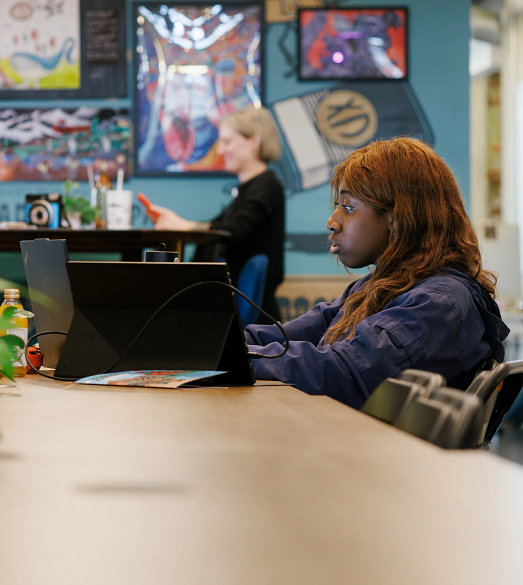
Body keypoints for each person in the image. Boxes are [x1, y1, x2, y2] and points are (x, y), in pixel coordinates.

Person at [245, 137, 509, 408]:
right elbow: (288, 336)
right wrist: (227, 344)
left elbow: (346, 372)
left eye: (348, 207)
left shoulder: (438, 304)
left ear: (398, 217)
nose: (332, 222)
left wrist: (238, 358)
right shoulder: (379, 287)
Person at [141, 106, 285, 321]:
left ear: (254, 142)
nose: (220, 151)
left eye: (227, 141)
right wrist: (178, 223)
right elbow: (219, 227)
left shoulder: (266, 186)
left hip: (249, 318)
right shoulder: (249, 190)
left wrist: (183, 225)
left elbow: (233, 231)